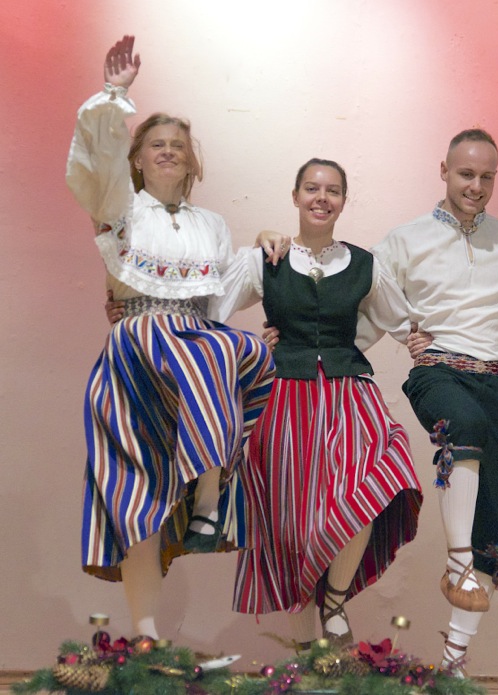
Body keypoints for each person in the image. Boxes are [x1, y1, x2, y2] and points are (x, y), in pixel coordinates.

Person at [67, 35, 274, 640]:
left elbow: (222, 294)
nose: (167, 152)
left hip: (191, 344)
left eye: (177, 147)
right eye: (155, 144)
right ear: (136, 158)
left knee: (237, 349)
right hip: (139, 350)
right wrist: (115, 95)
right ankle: (146, 633)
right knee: (137, 494)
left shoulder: (211, 224)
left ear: (191, 163)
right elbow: (95, 168)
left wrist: (266, 251)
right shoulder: (122, 209)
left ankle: (208, 499)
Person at [212, 159, 422, 650]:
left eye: (332, 190)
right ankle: (307, 657)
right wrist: (250, 347)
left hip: (349, 394)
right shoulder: (265, 259)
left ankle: (335, 600)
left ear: (344, 201)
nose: (321, 198)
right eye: (312, 188)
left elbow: (405, 323)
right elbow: (209, 311)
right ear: (295, 196)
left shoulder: (366, 264)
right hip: (284, 399)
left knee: (374, 481)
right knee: (290, 525)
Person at [372, 129, 498, 675]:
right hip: (439, 371)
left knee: (495, 522)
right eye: (466, 174)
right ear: (443, 170)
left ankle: (453, 662)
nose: (476, 186)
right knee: (462, 425)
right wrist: (401, 331)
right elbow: (365, 295)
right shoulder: (405, 239)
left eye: (487, 176)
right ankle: (457, 561)